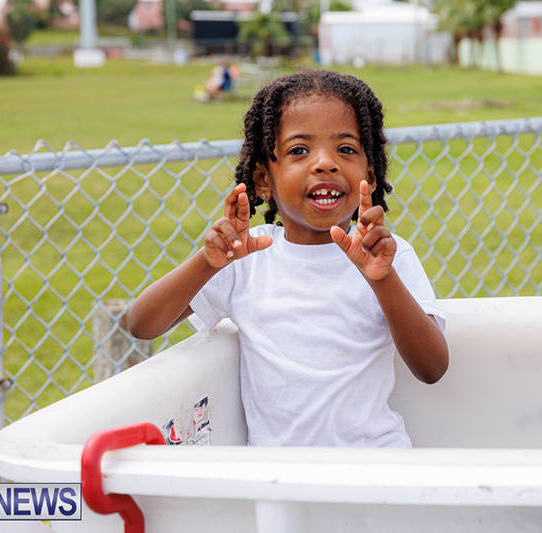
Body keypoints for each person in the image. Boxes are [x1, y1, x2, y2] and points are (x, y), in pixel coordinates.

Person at [129, 70, 449, 448]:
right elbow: (142, 323)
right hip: (278, 481)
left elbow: (431, 368)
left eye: (346, 150)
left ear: (371, 176)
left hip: (375, 471)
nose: (325, 164)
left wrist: (383, 280)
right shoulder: (248, 257)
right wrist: (207, 261)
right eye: (300, 151)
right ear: (264, 180)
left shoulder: (387, 256)